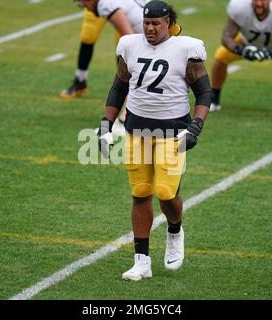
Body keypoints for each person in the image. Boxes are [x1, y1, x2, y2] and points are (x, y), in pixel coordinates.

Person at [97, 0, 211, 281]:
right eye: (147, 23)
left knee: (165, 192)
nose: (149, 28)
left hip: (172, 132)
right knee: (140, 192)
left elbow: (204, 93)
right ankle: (141, 261)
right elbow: (118, 87)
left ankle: (175, 231)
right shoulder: (129, 45)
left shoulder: (186, 49)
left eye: (156, 24)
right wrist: (105, 125)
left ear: (168, 24)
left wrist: (196, 126)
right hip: (136, 131)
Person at [60, 0, 182, 99]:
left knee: (136, 75)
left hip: (153, 35)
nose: (85, 8)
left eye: (83, 4)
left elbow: (129, 37)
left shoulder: (104, 5)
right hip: (165, 28)